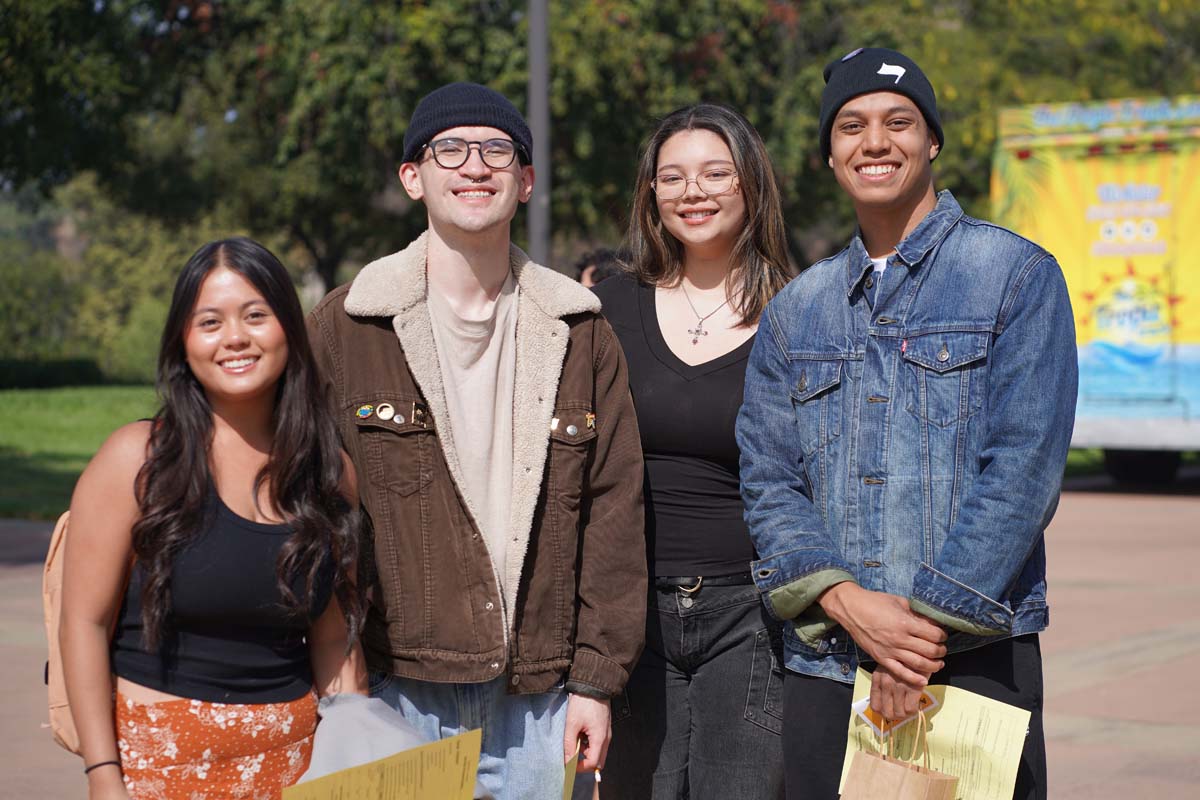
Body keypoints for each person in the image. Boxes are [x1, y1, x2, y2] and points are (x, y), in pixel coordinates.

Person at [737, 48, 1078, 800]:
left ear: (932, 142)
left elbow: (1023, 469)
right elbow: (768, 479)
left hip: (973, 658)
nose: (875, 141)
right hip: (828, 662)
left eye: (899, 122)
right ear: (830, 155)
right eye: (851, 126)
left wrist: (916, 637)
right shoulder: (796, 311)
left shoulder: (1016, 276)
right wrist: (845, 602)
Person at [305, 81, 647, 800]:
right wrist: (339, 678)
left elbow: (613, 512)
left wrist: (595, 681)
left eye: (497, 150)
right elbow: (307, 506)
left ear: (526, 181)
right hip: (394, 684)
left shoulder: (579, 331)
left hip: (541, 698)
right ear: (413, 177)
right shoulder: (347, 326)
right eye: (450, 149)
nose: (474, 166)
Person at [60, 237, 367, 800]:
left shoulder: (329, 472)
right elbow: (84, 623)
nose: (235, 338)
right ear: (183, 341)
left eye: (256, 315)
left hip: (294, 770)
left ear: (289, 329)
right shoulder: (138, 460)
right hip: (158, 772)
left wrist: (359, 759)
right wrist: (102, 774)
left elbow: (333, 639)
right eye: (210, 322)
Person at [595, 104, 792, 799]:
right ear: (651, 191)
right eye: (672, 177)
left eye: (715, 173)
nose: (693, 192)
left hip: (752, 614)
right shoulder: (608, 308)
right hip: (631, 615)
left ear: (751, 183)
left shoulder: (798, 312)